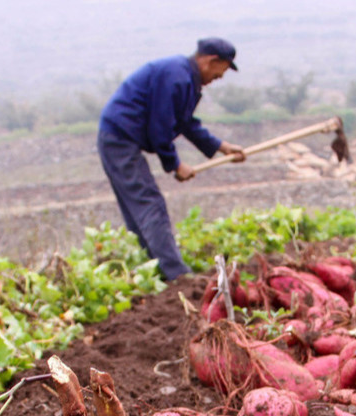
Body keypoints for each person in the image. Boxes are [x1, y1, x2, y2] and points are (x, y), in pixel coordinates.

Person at [97, 38, 246, 280]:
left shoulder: (185, 78)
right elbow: (160, 126)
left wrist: (221, 147)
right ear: (211, 61)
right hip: (119, 138)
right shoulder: (176, 76)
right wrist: (175, 164)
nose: (221, 77)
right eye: (223, 69)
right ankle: (177, 275)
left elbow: (185, 122)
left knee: (140, 207)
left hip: (119, 137)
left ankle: (157, 268)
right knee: (149, 203)